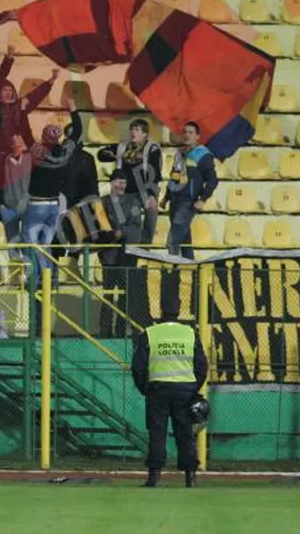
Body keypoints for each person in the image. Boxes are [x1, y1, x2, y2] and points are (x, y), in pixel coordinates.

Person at [130, 306, 208, 488]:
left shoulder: (149, 333)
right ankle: (190, 478)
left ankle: (154, 477)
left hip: (157, 390)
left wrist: (145, 389)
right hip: (185, 390)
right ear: (179, 311)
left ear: (161, 312)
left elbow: (138, 367)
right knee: (186, 433)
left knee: (157, 433)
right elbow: (202, 366)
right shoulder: (190, 333)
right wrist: (193, 388)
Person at [21, 100, 82, 292]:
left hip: (36, 205)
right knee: (46, 245)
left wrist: (23, 111)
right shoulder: (65, 152)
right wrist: (73, 109)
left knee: (30, 243)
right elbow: (78, 131)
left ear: (44, 137)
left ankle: (35, 278)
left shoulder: (38, 151)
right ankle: (48, 278)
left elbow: (24, 132)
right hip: (54, 207)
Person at [95, 171, 144, 338]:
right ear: (111, 183)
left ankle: (121, 331)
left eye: (123, 182)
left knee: (125, 295)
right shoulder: (102, 202)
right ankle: (105, 332)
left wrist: (122, 232)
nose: (121, 186)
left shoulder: (133, 202)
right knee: (108, 294)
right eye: (117, 182)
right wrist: (108, 236)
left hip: (127, 257)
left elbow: (136, 226)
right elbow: (96, 228)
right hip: (108, 256)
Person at [98, 119, 163, 245]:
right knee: (130, 221)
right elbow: (100, 155)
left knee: (151, 216)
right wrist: (110, 155)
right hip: (127, 192)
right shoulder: (123, 146)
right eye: (132, 129)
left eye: (137, 130)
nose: (133, 132)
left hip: (145, 191)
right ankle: (130, 246)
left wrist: (151, 195)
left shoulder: (152, 148)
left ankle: (145, 247)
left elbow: (155, 173)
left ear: (145, 134)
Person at [162, 122, 218, 260]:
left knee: (173, 239)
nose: (187, 135)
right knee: (185, 241)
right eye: (185, 132)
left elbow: (212, 180)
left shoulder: (203, 155)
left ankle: (172, 269)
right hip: (175, 201)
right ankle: (192, 269)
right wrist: (166, 197)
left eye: (191, 132)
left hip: (188, 202)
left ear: (197, 136)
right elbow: (174, 177)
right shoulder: (179, 153)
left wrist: (202, 199)